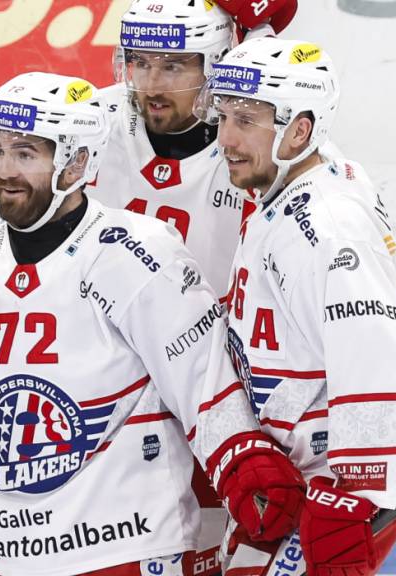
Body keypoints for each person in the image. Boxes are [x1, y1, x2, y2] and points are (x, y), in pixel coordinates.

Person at [0, 72, 307, 576]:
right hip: (9, 552)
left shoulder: (134, 253)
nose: (4, 170)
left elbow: (203, 383)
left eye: (26, 154)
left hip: (124, 550)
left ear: (78, 162)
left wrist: (242, 459)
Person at [194, 37, 396, 575]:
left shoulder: (326, 228)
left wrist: (355, 494)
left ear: (299, 131)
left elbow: (383, 361)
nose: (225, 139)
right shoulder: (294, 183)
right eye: (224, 116)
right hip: (290, 482)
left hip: (327, 493)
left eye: (246, 121)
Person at [91, 1, 298, 568]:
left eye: (174, 66)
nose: (152, 84)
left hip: (218, 399)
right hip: (106, 405)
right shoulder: (91, 123)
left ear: (218, 64)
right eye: (140, 62)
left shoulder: (262, 145)